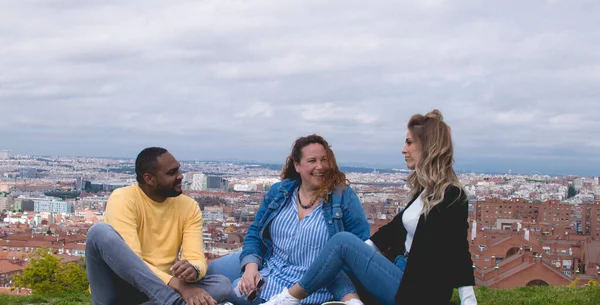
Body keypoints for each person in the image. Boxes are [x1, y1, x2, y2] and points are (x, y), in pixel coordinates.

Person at [260, 110, 477, 305]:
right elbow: (390, 232)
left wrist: (468, 300)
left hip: (417, 291)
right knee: (338, 260)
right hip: (401, 272)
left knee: (341, 241)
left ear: (428, 145)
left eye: (409, 142)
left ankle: (287, 299)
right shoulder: (425, 191)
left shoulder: (451, 195)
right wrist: (354, 254)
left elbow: (458, 250)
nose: (404, 149)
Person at [205, 135, 370, 305]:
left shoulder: (343, 197)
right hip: (270, 280)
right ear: (297, 165)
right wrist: (251, 268)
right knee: (228, 293)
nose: (320, 166)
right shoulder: (280, 192)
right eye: (312, 161)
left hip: (314, 288)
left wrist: (346, 291)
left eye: (324, 160)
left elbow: (359, 245)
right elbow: (255, 233)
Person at [86, 147, 232, 305]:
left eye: (178, 170)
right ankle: (173, 302)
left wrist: (192, 270)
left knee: (221, 285)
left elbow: (195, 257)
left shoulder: (189, 206)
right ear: (149, 179)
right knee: (98, 232)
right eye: (172, 173)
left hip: (162, 290)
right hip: (120, 289)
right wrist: (180, 287)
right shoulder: (124, 199)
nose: (180, 176)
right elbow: (132, 266)